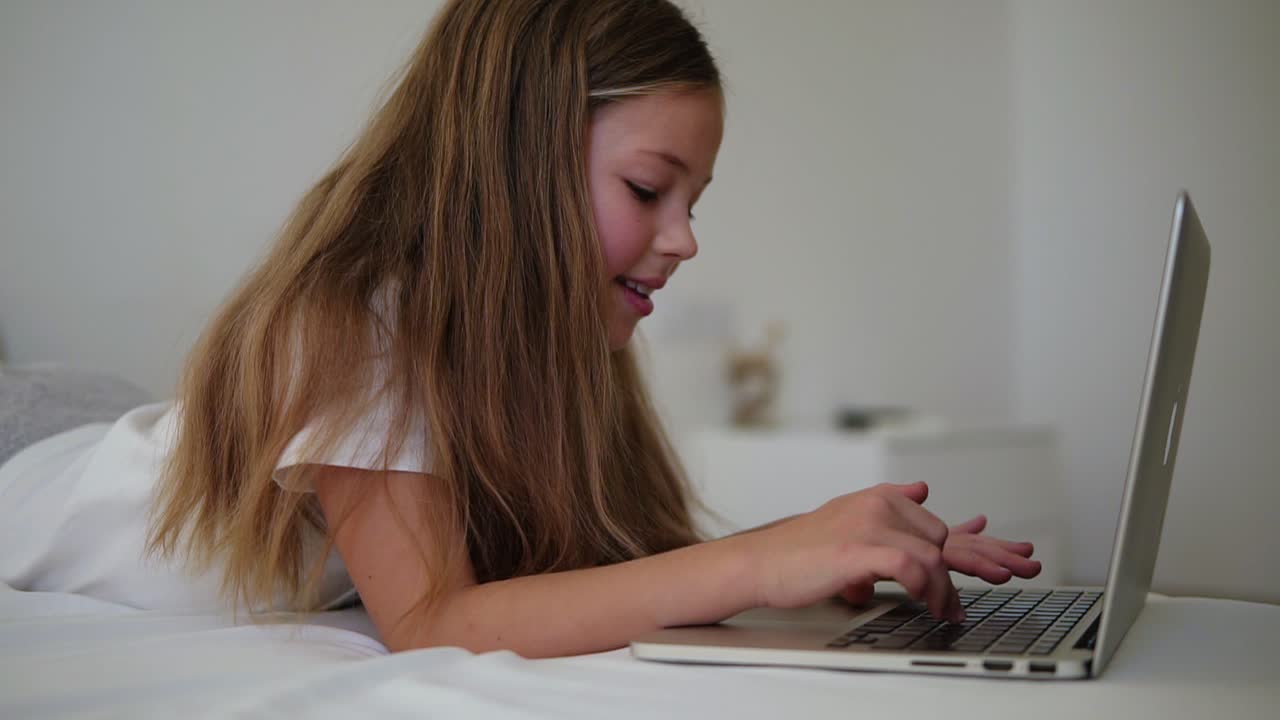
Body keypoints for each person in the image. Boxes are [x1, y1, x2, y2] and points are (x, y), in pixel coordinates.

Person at [0, 0, 1040, 657]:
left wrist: (825, 547)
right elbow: (428, 624)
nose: (684, 241)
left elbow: (597, 574)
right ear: (515, 165)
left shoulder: (553, 349)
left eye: (696, 200)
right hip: (38, 463)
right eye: (648, 189)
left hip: (130, 431)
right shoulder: (356, 317)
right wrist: (761, 565)